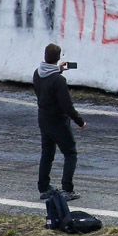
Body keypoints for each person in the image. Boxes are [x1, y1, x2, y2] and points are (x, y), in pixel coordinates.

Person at [35, 43, 85, 202]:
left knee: (47, 153)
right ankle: (67, 188)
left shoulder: (37, 73)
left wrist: (58, 69)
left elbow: (44, 86)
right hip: (58, 120)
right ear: (58, 58)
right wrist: (80, 121)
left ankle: (44, 188)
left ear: (45, 56)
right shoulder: (59, 80)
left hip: (43, 118)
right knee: (70, 153)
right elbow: (67, 106)